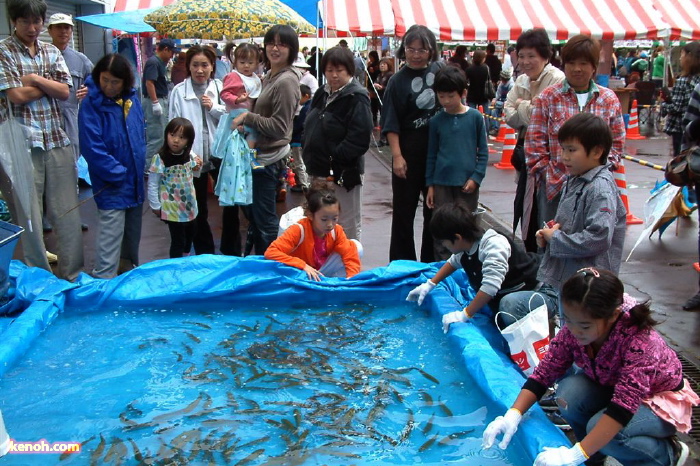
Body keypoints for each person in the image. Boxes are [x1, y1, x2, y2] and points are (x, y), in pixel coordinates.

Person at [483, 268, 697, 466]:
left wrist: (573, 455)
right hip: (616, 390)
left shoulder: (640, 342)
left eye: (584, 325)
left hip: (659, 402)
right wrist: (512, 415)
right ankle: (593, 456)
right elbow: (544, 373)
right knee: (568, 395)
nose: (574, 331)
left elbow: (622, 408)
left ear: (613, 315)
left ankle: (666, 455)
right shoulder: (575, 329)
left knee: (608, 432)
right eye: (568, 320)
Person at [500, 113, 626, 324]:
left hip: (589, 289)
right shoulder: (574, 180)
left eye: (571, 150)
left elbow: (599, 237)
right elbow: (565, 225)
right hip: (567, 280)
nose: (564, 157)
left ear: (596, 151)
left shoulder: (600, 188)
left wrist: (556, 238)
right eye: (563, 149)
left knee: (579, 335)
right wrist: (547, 235)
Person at [0, 0, 84, 281]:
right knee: (30, 218)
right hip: (20, 146)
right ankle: (40, 280)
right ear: (14, 21)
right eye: (26, 22)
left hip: (56, 138)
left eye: (37, 22)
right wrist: (48, 85)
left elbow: (64, 92)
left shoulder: (50, 50)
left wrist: (34, 78)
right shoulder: (3, 51)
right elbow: (16, 96)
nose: (33, 28)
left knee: (68, 213)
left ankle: (73, 276)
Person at [526, 34, 625, 241]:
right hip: (555, 189)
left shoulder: (608, 99)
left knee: (590, 244)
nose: (577, 69)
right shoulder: (548, 97)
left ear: (594, 66)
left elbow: (617, 144)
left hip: (596, 191)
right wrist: (549, 175)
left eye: (583, 63)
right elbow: (534, 145)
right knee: (551, 245)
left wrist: (599, 175)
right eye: (571, 63)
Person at [406, 202, 540, 331]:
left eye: (443, 242)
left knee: (508, 305)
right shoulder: (466, 246)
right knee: (497, 311)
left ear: (457, 238)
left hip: (536, 289)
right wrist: (430, 284)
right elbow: (452, 262)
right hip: (507, 292)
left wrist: (464, 314)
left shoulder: (493, 246)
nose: (443, 246)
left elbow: (490, 287)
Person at [232, 25, 301, 254]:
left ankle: (272, 265)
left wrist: (248, 117)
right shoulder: (270, 76)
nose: (275, 48)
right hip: (260, 156)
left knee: (265, 219)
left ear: (292, 49)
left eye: (282, 44)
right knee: (258, 216)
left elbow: (280, 127)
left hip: (269, 159)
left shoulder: (286, 81)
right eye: (271, 42)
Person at [79, 53, 145, 279]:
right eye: (104, 80)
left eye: (115, 82)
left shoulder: (132, 100)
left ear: (125, 81)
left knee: (131, 238)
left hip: (134, 180)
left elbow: (139, 135)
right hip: (112, 182)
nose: (109, 86)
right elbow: (91, 147)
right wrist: (116, 173)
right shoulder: (91, 104)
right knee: (110, 237)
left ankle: (127, 275)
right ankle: (102, 281)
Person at [381, 24, 443, 262]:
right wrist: (396, 156)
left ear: (431, 50)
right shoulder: (397, 81)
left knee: (434, 213)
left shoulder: (440, 71)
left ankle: (432, 263)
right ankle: (402, 264)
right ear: (403, 50)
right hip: (408, 154)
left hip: (437, 156)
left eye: (422, 49)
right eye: (411, 48)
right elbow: (391, 123)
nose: (416, 54)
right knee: (404, 214)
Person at [302, 46, 373, 241]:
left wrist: (335, 157)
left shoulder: (356, 97)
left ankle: (349, 266)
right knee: (320, 220)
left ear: (349, 70)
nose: (334, 75)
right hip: (318, 170)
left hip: (343, 174)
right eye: (330, 70)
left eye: (339, 70)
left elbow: (360, 138)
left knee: (346, 222)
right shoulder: (321, 93)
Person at [504, 28, 565, 251]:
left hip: (547, 158)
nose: (526, 61)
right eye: (522, 56)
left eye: (532, 56)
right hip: (524, 156)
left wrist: (521, 105)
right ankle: (531, 259)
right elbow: (508, 115)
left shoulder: (557, 79)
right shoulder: (520, 80)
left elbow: (540, 117)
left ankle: (543, 264)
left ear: (545, 56)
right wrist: (529, 108)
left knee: (544, 211)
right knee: (524, 210)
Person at [425, 66, 488, 258]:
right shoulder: (436, 121)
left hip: (466, 184)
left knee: (467, 226)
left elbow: (483, 152)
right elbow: (432, 155)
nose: (445, 101)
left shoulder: (475, 117)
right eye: (441, 96)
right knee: (442, 228)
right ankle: (442, 268)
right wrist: (430, 185)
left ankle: (469, 264)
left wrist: (476, 177)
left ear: (463, 93)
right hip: (442, 184)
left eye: (450, 96)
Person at [169, 45, 226, 255]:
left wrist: (214, 107)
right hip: (193, 159)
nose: (200, 70)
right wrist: (189, 155)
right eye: (195, 65)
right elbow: (174, 126)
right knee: (198, 207)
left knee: (229, 205)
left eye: (205, 65)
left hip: (220, 155)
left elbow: (232, 116)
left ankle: (230, 251)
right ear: (188, 67)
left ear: (213, 66)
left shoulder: (221, 88)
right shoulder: (178, 91)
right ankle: (206, 252)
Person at [46, 12, 92, 232]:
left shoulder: (80, 59)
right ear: (50, 31)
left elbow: (96, 81)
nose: (63, 31)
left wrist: (88, 89)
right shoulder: (42, 55)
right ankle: (47, 216)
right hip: (45, 119)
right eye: (58, 27)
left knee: (72, 167)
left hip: (71, 118)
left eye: (67, 27)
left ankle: (71, 216)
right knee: (46, 168)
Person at [264, 185, 361, 280]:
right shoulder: (299, 230)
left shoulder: (336, 230)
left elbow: (349, 254)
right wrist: (302, 265)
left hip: (320, 271)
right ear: (310, 215)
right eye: (324, 219)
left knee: (356, 247)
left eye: (334, 218)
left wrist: (352, 279)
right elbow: (271, 252)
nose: (330, 224)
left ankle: (337, 283)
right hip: (299, 272)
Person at [148, 117, 202, 258]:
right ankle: (176, 265)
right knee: (177, 239)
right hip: (172, 206)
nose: (176, 140)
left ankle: (185, 256)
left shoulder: (190, 155)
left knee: (191, 232)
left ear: (188, 141)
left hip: (189, 204)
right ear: (166, 134)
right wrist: (155, 205)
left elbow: (195, 173)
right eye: (172, 135)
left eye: (182, 137)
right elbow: (153, 183)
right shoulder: (160, 158)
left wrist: (197, 166)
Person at [142, 38, 178, 172]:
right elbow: (149, 82)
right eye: (171, 53)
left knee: (161, 133)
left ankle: (155, 165)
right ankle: (149, 168)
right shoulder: (154, 62)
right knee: (156, 135)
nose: (171, 56)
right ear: (165, 50)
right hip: (154, 100)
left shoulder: (160, 63)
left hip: (159, 98)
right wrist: (155, 102)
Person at [220, 43, 262, 151]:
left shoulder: (255, 78)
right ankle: (249, 156)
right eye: (242, 62)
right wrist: (237, 99)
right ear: (235, 63)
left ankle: (249, 156)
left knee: (252, 135)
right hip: (235, 115)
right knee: (244, 138)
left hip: (249, 115)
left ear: (257, 63)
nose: (246, 66)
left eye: (250, 62)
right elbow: (224, 94)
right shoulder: (234, 76)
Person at [660, 42, 700, 156]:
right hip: (696, 130)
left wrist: (663, 105)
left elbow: (676, 107)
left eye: (682, 55)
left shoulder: (682, 81)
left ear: (689, 57)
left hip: (681, 128)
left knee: (681, 162)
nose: (680, 58)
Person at [289, 83, 312, 193]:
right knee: (303, 162)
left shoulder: (305, 109)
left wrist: (291, 134)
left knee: (299, 163)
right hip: (305, 140)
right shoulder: (312, 107)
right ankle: (306, 182)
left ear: (306, 96)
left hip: (298, 141)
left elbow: (299, 125)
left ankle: (304, 184)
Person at [373, 57, 394, 146]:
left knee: (385, 119)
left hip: (387, 100)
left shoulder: (390, 75)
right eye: (381, 64)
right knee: (382, 118)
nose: (382, 66)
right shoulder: (379, 76)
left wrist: (382, 88)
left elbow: (391, 88)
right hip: (380, 99)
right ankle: (384, 139)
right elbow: (375, 83)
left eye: (384, 64)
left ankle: (384, 140)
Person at [490, 68, 513, 134]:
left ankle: (500, 128)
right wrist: (494, 99)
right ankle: (495, 127)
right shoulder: (501, 84)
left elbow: (510, 97)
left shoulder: (511, 85)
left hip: (508, 102)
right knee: (493, 110)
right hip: (502, 101)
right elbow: (498, 93)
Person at [366, 50, 381, 127]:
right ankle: (374, 115)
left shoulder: (378, 65)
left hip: (376, 84)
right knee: (372, 101)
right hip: (370, 85)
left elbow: (378, 73)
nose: (370, 58)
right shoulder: (370, 64)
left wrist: (373, 71)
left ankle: (376, 116)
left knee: (376, 101)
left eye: (371, 57)